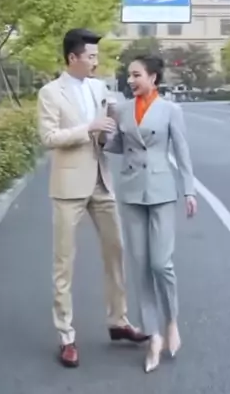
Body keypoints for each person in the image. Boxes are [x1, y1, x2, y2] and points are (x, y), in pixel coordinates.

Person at [37, 29, 149, 368]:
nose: (95, 62)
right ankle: (66, 336)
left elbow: (106, 132)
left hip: (102, 181)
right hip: (68, 186)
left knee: (116, 251)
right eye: (90, 56)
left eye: (97, 56)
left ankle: (119, 321)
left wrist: (108, 129)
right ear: (72, 57)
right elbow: (48, 137)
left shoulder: (99, 88)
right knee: (64, 263)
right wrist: (88, 128)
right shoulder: (50, 93)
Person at [106, 54, 197, 373]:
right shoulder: (122, 109)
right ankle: (153, 335)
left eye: (136, 75)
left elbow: (182, 152)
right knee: (141, 266)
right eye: (129, 75)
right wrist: (104, 131)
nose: (130, 80)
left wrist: (189, 190)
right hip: (132, 190)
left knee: (161, 264)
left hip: (161, 190)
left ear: (153, 77)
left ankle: (172, 321)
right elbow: (117, 146)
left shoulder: (171, 110)